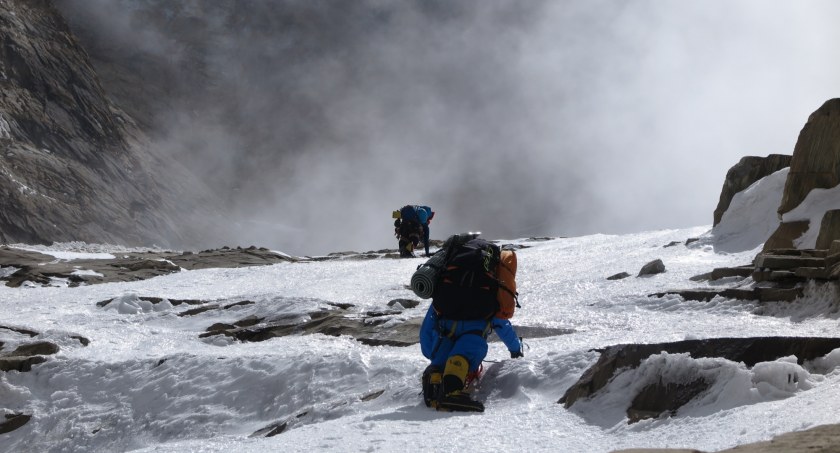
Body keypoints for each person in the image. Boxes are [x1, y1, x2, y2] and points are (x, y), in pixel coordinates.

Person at [419, 305, 523, 412]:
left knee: (442, 360)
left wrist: (431, 353)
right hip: (472, 339)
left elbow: (427, 325)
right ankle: (451, 391)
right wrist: (516, 348)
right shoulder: (490, 296)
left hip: (442, 340)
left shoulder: (445, 294)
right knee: (465, 353)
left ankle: (435, 380)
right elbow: (502, 324)